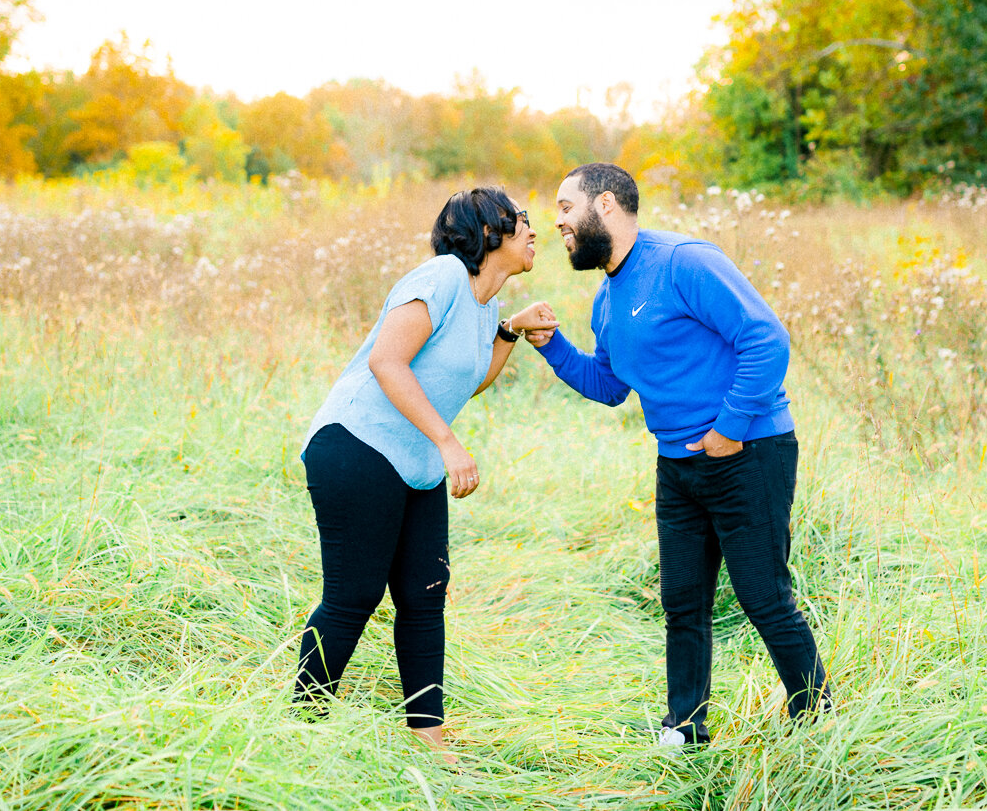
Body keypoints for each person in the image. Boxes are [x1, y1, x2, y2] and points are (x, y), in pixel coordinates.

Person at [525, 163, 831, 748]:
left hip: (748, 452)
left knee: (763, 596)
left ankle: (816, 720)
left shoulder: (683, 261)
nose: (558, 220)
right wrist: (553, 346)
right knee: (683, 601)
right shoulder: (608, 300)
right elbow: (610, 385)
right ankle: (685, 730)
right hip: (677, 467)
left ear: (606, 204)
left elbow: (766, 338)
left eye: (566, 206)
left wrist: (730, 428)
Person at [294, 186, 556, 758]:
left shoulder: (483, 305)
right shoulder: (438, 277)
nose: (535, 232)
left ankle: (429, 739)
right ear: (490, 232)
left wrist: (509, 331)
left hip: (413, 465)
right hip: (356, 446)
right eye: (524, 221)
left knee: (424, 596)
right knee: (353, 597)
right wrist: (448, 441)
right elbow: (386, 360)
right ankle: (299, 727)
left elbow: (468, 378)